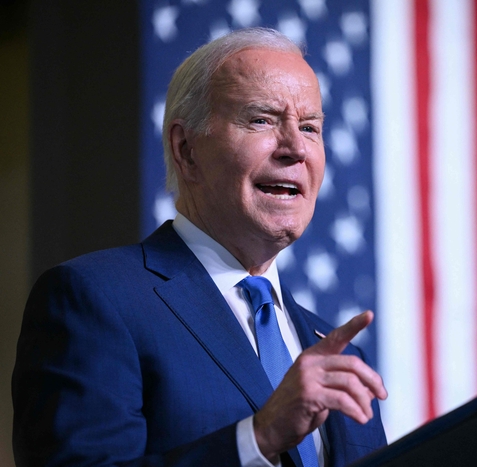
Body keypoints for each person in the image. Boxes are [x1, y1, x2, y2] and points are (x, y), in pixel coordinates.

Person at [12, 27, 387, 467]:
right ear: (186, 149)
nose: (295, 149)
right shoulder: (95, 300)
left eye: (309, 127)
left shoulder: (339, 356)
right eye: (262, 119)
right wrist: (258, 439)